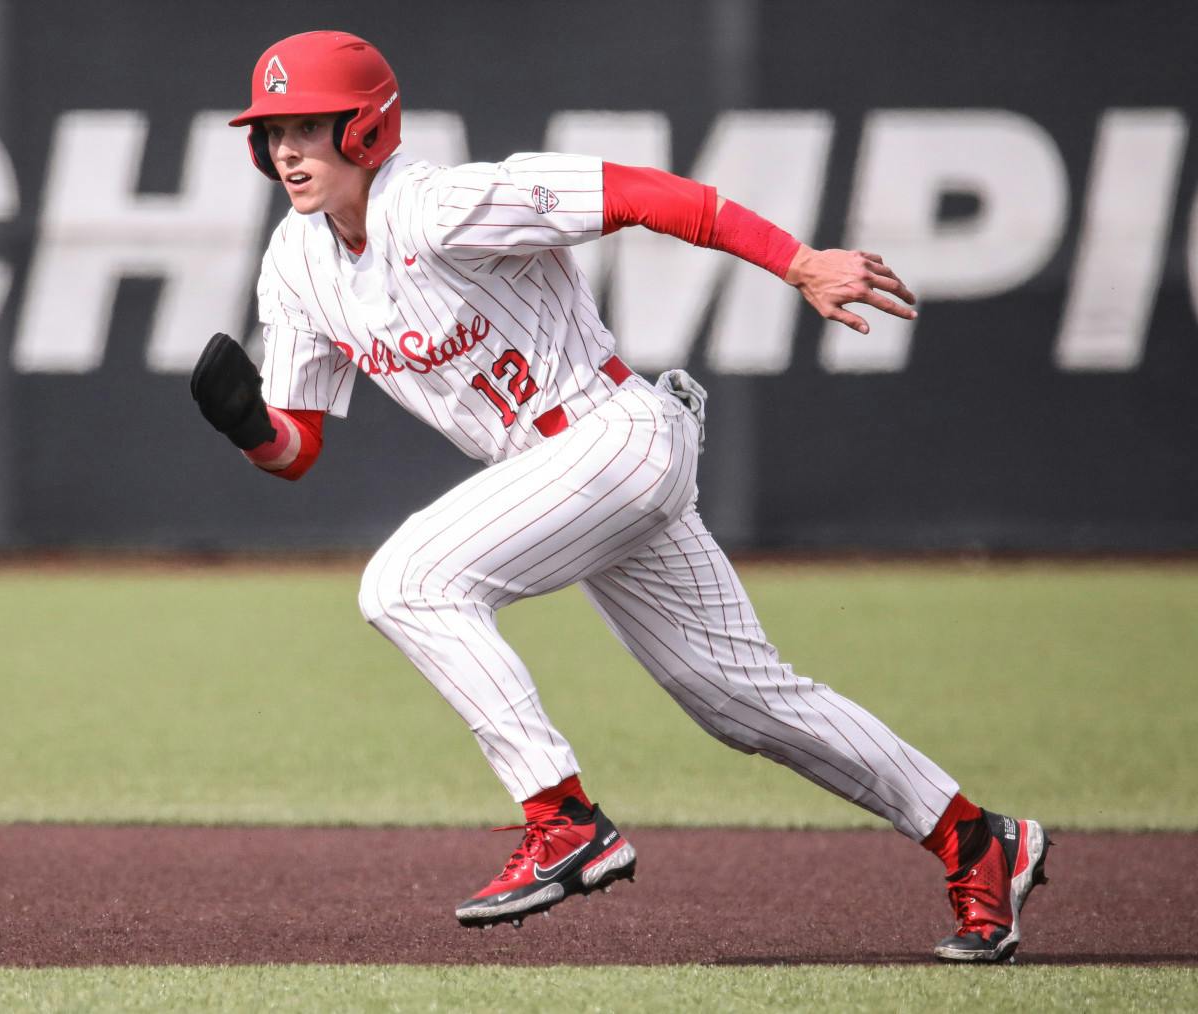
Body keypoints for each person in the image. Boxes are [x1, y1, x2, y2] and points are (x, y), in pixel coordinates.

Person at [191, 30, 1049, 963]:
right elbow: (299, 447)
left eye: (307, 126)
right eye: (271, 129)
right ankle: (976, 839)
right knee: (742, 701)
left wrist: (797, 261)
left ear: (364, 129)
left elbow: (640, 192)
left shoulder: (441, 204)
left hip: (611, 434)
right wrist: (251, 432)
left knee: (405, 583)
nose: (285, 149)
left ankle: (563, 820)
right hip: (564, 480)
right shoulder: (295, 262)